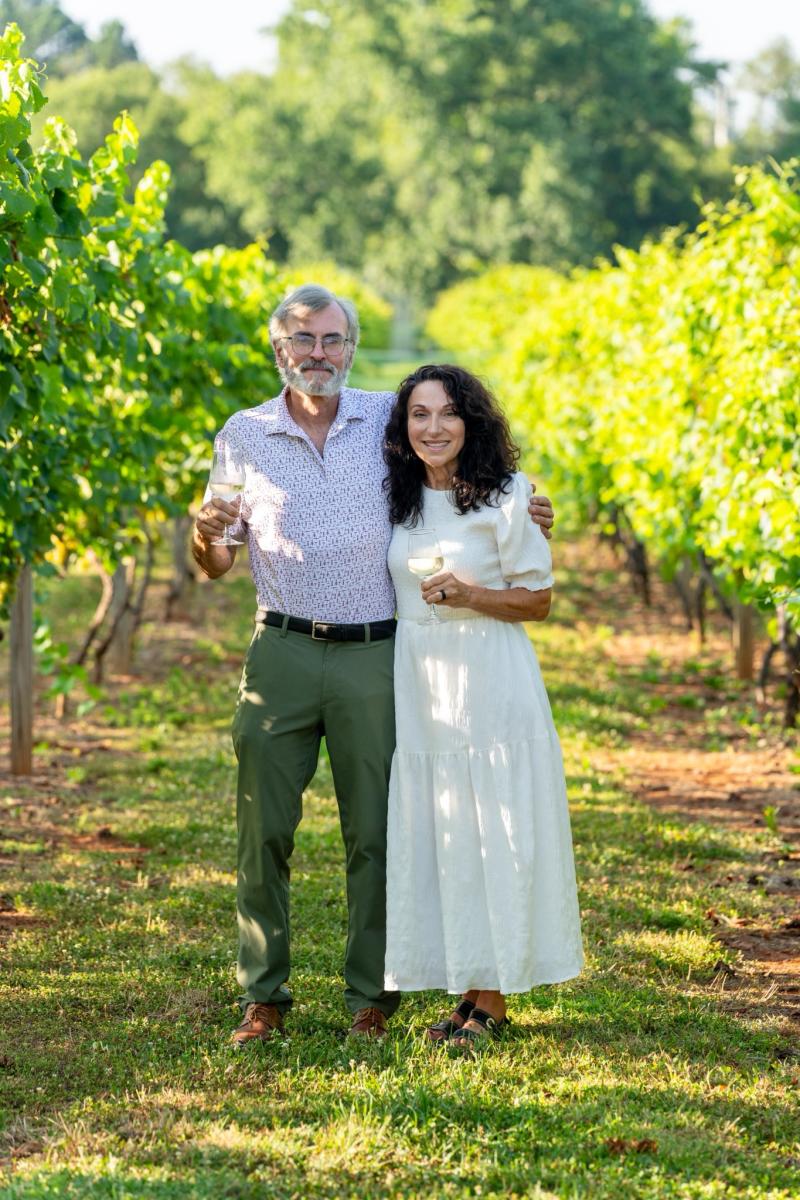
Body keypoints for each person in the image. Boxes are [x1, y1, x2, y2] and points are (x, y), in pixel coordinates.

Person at [191, 285, 555, 1044]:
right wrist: (204, 534)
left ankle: (371, 1000)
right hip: (281, 649)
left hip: (375, 655)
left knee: (378, 832)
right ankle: (264, 997)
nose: (316, 354)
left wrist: (524, 508)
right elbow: (217, 562)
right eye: (301, 340)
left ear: (350, 348)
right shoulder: (243, 433)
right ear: (278, 348)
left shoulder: (383, 423)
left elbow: (458, 471)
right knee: (264, 830)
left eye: (330, 340)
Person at [382, 363, 583, 1048]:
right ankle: (467, 992)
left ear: (471, 421)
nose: (433, 428)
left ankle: (493, 1001)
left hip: (489, 678)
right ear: (403, 427)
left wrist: (471, 596)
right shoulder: (399, 499)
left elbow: (539, 599)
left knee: (493, 823)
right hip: (423, 681)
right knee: (448, 831)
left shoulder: (507, 497)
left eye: (447, 414)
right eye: (419, 415)